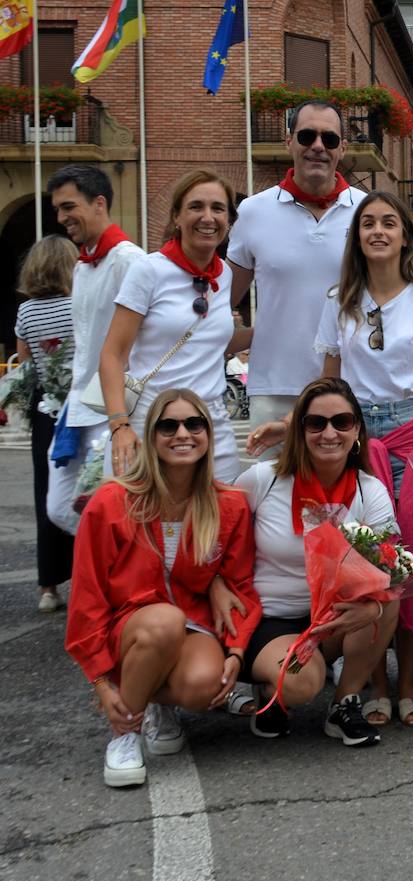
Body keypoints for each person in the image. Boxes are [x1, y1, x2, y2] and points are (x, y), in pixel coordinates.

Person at [301, 189, 413, 728]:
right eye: (368, 223)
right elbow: (328, 379)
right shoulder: (339, 301)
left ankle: (410, 681)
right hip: (358, 436)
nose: (378, 231)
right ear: (358, 237)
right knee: (367, 559)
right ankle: (376, 685)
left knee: (411, 561)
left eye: (389, 222)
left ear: (404, 236)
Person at [65, 389, 260, 787]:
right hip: (130, 629)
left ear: (209, 435)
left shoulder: (230, 505)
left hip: (193, 624)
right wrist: (101, 683)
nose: (182, 434)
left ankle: (157, 703)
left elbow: (241, 584)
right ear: (151, 437)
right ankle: (124, 734)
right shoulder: (111, 502)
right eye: (168, 426)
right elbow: (87, 597)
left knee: (207, 685)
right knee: (164, 622)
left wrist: (237, 652)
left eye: (194, 424)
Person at [234, 378, 400, 745]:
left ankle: (344, 704)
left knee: (388, 600)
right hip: (271, 617)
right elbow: (218, 543)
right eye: (316, 423)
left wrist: (372, 609)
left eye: (341, 422)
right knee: (301, 684)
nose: (329, 433)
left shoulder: (368, 490)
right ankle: (272, 689)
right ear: (300, 430)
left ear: (356, 429)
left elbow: (392, 566)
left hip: (331, 617)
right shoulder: (263, 480)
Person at [228, 100, 368, 441]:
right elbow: (224, 299)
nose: (318, 146)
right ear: (288, 142)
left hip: (351, 387)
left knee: (342, 494)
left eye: (329, 139)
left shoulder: (367, 211)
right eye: (307, 136)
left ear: (343, 149)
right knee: (274, 491)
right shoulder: (253, 211)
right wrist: (247, 337)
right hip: (276, 388)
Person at [99, 169, 245, 483]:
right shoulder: (148, 270)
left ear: (229, 221)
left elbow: (211, 344)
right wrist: (120, 426)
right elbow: (112, 354)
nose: (208, 217)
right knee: (140, 525)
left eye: (217, 208)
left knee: (222, 521)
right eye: (196, 207)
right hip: (152, 421)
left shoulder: (224, 277)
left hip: (211, 422)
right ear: (176, 216)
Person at [44, 164, 143, 536]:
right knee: (59, 507)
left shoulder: (130, 261)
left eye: (68, 207)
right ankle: (106, 572)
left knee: (110, 507)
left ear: (99, 203)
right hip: (78, 404)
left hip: (112, 408)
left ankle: (113, 587)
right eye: (57, 209)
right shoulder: (81, 267)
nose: (61, 217)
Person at [13, 236, 78, 611]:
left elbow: (25, 362)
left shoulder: (26, 313)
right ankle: (87, 571)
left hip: (44, 409)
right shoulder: (77, 306)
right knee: (84, 491)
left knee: (46, 493)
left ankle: (48, 587)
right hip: (78, 406)